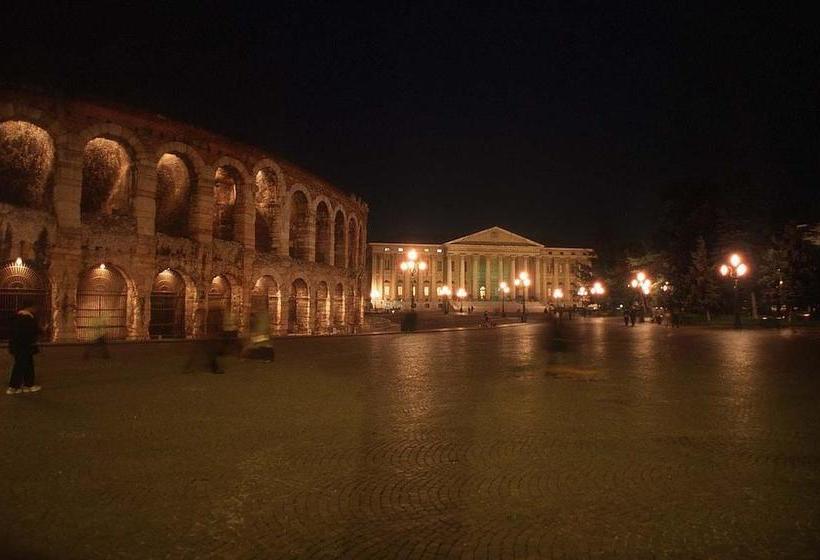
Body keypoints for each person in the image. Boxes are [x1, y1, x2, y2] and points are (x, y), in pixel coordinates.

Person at [7, 301, 41, 395]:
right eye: (34, 307)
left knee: (27, 365)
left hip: (19, 345)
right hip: (24, 346)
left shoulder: (17, 316)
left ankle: (28, 385)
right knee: (20, 366)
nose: (35, 309)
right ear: (29, 307)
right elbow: (30, 332)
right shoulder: (26, 318)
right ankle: (13, 387)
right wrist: (40, 332)